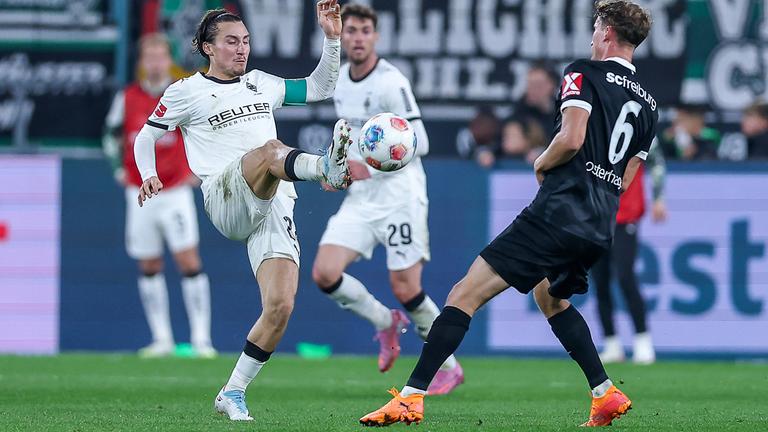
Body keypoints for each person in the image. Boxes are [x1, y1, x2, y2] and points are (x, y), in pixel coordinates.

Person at [359, 0, 657, 427]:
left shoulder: (582, 72)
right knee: (550, 298)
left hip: (559, 212)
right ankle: (604, 393)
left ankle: (409, 398)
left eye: (595, 27)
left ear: (607, 32)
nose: (592, 35)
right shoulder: (649, 105)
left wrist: (541, 162)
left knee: (464, 294)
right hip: (599, 222)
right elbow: (626, 178)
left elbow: (571, 138)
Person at [132, 2, 348, 421]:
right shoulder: (185, 91)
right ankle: (326, 168)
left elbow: (320, 88)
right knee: (270, 151)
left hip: (273, 203)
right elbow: (145, 138)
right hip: (226, 195)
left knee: (280, 306)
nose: (241, 49)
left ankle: (232, 392)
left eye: (246, 41)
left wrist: (332, 38)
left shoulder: (262, 84)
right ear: (208, 48)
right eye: (231, 41)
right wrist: (147, 174)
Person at [310, 3, 463, 396]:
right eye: (351, 32)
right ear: (341, 37)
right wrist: (340, 166)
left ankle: (448, 364)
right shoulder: (340, 80)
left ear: (375, 36)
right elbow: (348, 139)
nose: (357, 38)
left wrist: (373, 166)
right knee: (325, 273)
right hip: (361, 196)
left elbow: (421, 141)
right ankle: (384, 322)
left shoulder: (390, 82)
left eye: (364, 31)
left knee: (406, 287)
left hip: (399, 195)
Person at [103, 33, 215, 359]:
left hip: (175, 188)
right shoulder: (127, 98)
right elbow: (111, 135)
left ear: (169, 60)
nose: (154, 63)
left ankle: (200, 339)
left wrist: (199, 168)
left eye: (160, 56)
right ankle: (162, 338)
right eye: (148, 56)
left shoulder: (182, 94)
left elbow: (204, 129)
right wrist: (118, 169)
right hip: (139, 191)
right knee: (149, 262)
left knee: (188, 260)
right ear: (141, 63)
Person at [593, 139, 667, 365]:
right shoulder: (592, 121)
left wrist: (658, 198)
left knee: (626, 277)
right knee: (600, 280)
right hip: (596, 214)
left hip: (625, 215)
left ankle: (643, 340)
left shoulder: (637, 118)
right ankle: (611, 342)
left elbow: (656, 161)